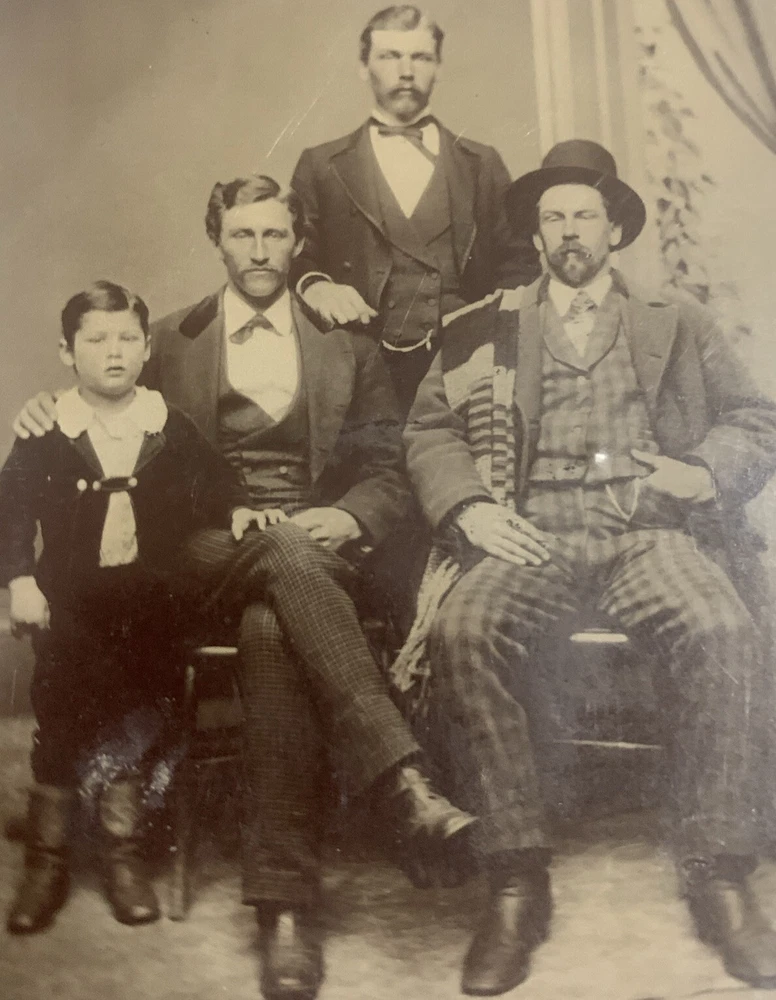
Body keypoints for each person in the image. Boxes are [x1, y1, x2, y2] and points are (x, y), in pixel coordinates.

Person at [12, 175, 475, 1000]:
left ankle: (284, 909)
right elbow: (100, 395)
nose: (259, 251)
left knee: (271, 625)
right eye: (242, 235)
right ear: (218, 241)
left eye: (274, 235)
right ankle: (401, 783)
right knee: (278, 568)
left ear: (297, 243)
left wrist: (351, 517)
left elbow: (387, 465)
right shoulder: (167, 339)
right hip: (197, 548)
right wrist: (42, 410)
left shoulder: (349, 344)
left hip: (316, 545)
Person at [392, 140, 776, 994]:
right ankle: (514, 878)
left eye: (585, 216)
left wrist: (700, 471)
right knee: (464, 631)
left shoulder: (676, 321)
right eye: (554, 218)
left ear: (615, 230)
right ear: (536, 236)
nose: (570, 232)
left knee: (723, 630)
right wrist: (470, 507)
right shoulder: (485, 327)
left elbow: (755, 418)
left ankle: (718, 872)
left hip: (646, 531)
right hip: (532, 533)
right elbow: (430, 431)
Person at [0, 281, 249, 934]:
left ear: (145, 349)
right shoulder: (48, 427)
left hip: (150, 608)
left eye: (127, 339)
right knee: (60, 716)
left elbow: (218, 481)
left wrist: (238, 508)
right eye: (96, 339)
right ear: (67, 352)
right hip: (69, 607)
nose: (113, 352)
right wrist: (19, 579)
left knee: (137, 716)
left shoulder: (167, 423)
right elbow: (12, 508)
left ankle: (123, 853)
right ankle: (47, 859)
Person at [290, 4, 540, 416]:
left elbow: (520, 264)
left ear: (438, 67)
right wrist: (317, 286)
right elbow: (296, 255)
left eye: (420, 57)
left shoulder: (482, 164)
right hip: (359, 372)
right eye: (390, 56)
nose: (406, 72)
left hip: (463, 370)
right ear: (363, 67)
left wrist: (486, 337)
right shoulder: (321, 166)